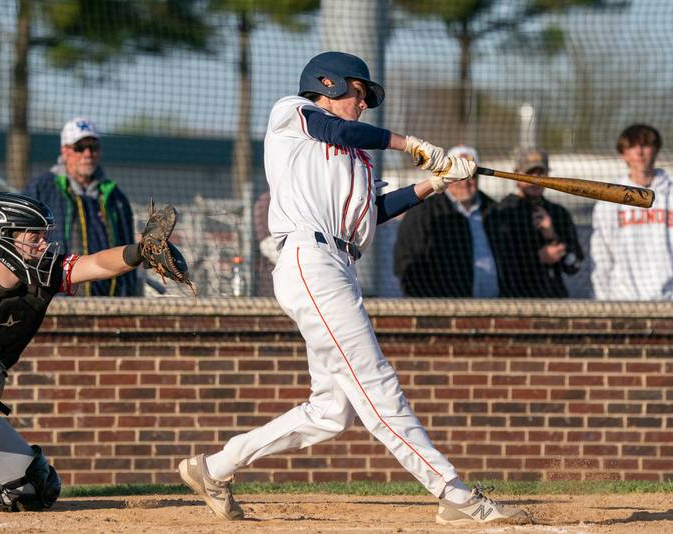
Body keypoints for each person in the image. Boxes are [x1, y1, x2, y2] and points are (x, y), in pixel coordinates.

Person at [178, 51, 530, 525]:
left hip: (338, 262)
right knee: (377, 384)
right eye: (358, 93)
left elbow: (378, 211)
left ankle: (215, 467)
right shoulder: (294, 114)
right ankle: (452, 492)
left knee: (330, 411)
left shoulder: (356, 161)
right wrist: (412, 144)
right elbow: (338, 130)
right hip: (310, 258)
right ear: (329, 83)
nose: (363, 104)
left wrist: (436, 182)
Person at [0, 192, 174, 512]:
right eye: (33, 237)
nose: (43, 245)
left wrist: (139, 253)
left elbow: (95, 264)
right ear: (3, 239)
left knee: (33, 487)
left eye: (44, 237)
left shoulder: (41, 274)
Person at [23, 117, 138, 297]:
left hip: (112, 305)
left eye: (93, 147)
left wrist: (131, 296)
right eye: (80, 147)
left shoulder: (115, 197)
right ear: (65, 151)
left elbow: (128, 248)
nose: (87, 154)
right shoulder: (40, 191)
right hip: (57, 302)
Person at [590, 124, 673, 300]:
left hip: (671, 300)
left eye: (645, 145)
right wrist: (605, 300)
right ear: (624, 154)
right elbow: (601, 253)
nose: (640, 152)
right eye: (632, 147)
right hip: (623, 301)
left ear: (656, 150)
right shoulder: (609, 199)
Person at [393, 145, 501, 298]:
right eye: (458, 176)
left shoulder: (495, 211)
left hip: (498, 308)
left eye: (470, 175)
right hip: (445, 308)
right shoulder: (424, 213)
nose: (464, 182)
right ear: (445, 176)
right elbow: (406, 262)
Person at [490, 148, 583, 298]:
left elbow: (573, 265)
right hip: (516, 300)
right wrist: (537, 258)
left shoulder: (558, 213)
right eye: (529, 173)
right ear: (516, 174)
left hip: (554, 298)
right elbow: (498, 263)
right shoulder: (501, 212)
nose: (536, 179)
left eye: (541, 174)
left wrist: (552, 236)